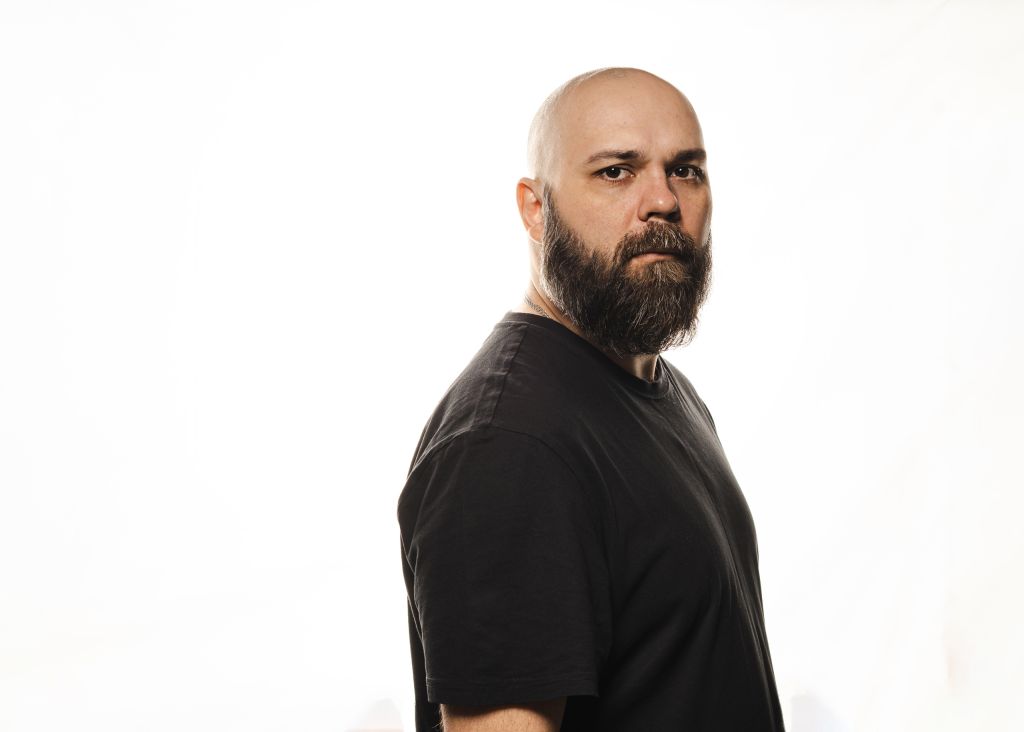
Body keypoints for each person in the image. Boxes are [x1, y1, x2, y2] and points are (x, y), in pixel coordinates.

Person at [397, 67, 785, 731]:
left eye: (685, 170)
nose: (662, 201)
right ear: (535, 208)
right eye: (616, 171)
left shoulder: (656, 387)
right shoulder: (510, 446)